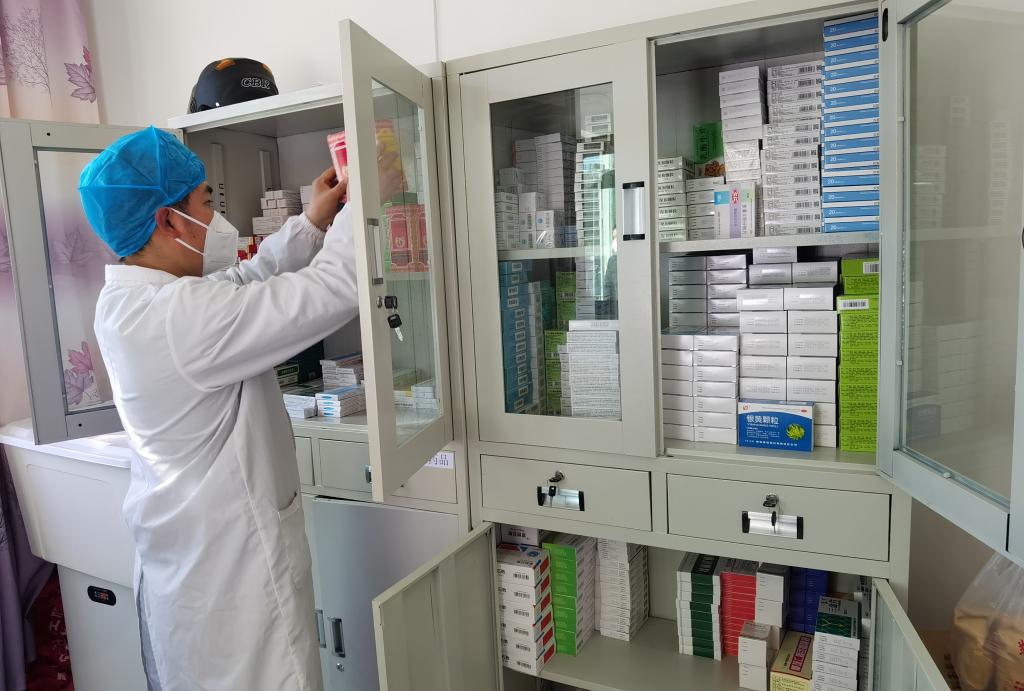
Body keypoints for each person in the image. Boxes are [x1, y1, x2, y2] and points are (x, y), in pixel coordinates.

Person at [79, 126, 360, 691]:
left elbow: (240, 283)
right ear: (169, 221)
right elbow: (336, 287)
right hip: (233, 584)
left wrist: (312, 222)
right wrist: (366, 200)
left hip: (187, 567)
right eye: (207, 202)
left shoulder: (129, 300)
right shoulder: (176, 317)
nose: (217, 218)